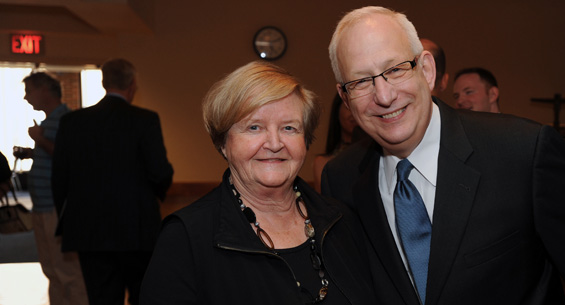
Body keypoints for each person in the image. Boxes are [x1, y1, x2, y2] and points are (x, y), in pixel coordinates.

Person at [322, 6, 565, 305]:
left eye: (395, 69)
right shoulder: (341, 178)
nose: (384, 96)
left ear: (427, 71)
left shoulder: (524, 153)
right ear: (344, 97)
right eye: (361, 81)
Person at [140, 61, 376, 304]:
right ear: (223, 142)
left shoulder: (342, 222)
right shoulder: (185, 239)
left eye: (289, 127)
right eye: (254, 127)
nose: (274, 144)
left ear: (305, 141)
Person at [52, 58, 174, 305]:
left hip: (89, 230)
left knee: (102, 298)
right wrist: (153, 199)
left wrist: (72, 217)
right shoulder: (145, 120)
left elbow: (59, 179)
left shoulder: (72, 122)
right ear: (132, 84)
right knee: (145, 294)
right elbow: (160, 172)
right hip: (137, 228)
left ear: (104, 82)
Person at [17, 72, 90, 305]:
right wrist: (31, 153)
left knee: (68, 272)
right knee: (51, 270)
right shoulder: (50, 122)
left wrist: (39, 140)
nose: (26, 98)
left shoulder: (67, 120)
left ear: (44, 91)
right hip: (43, 208)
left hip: (57, 209)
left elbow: (68, 158)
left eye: (29, 91)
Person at [312, 93, 358, 192]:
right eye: (348, 107)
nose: (353, 113)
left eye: (357, 107)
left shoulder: (380, 155)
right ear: (337, 111)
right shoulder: (323, 162)